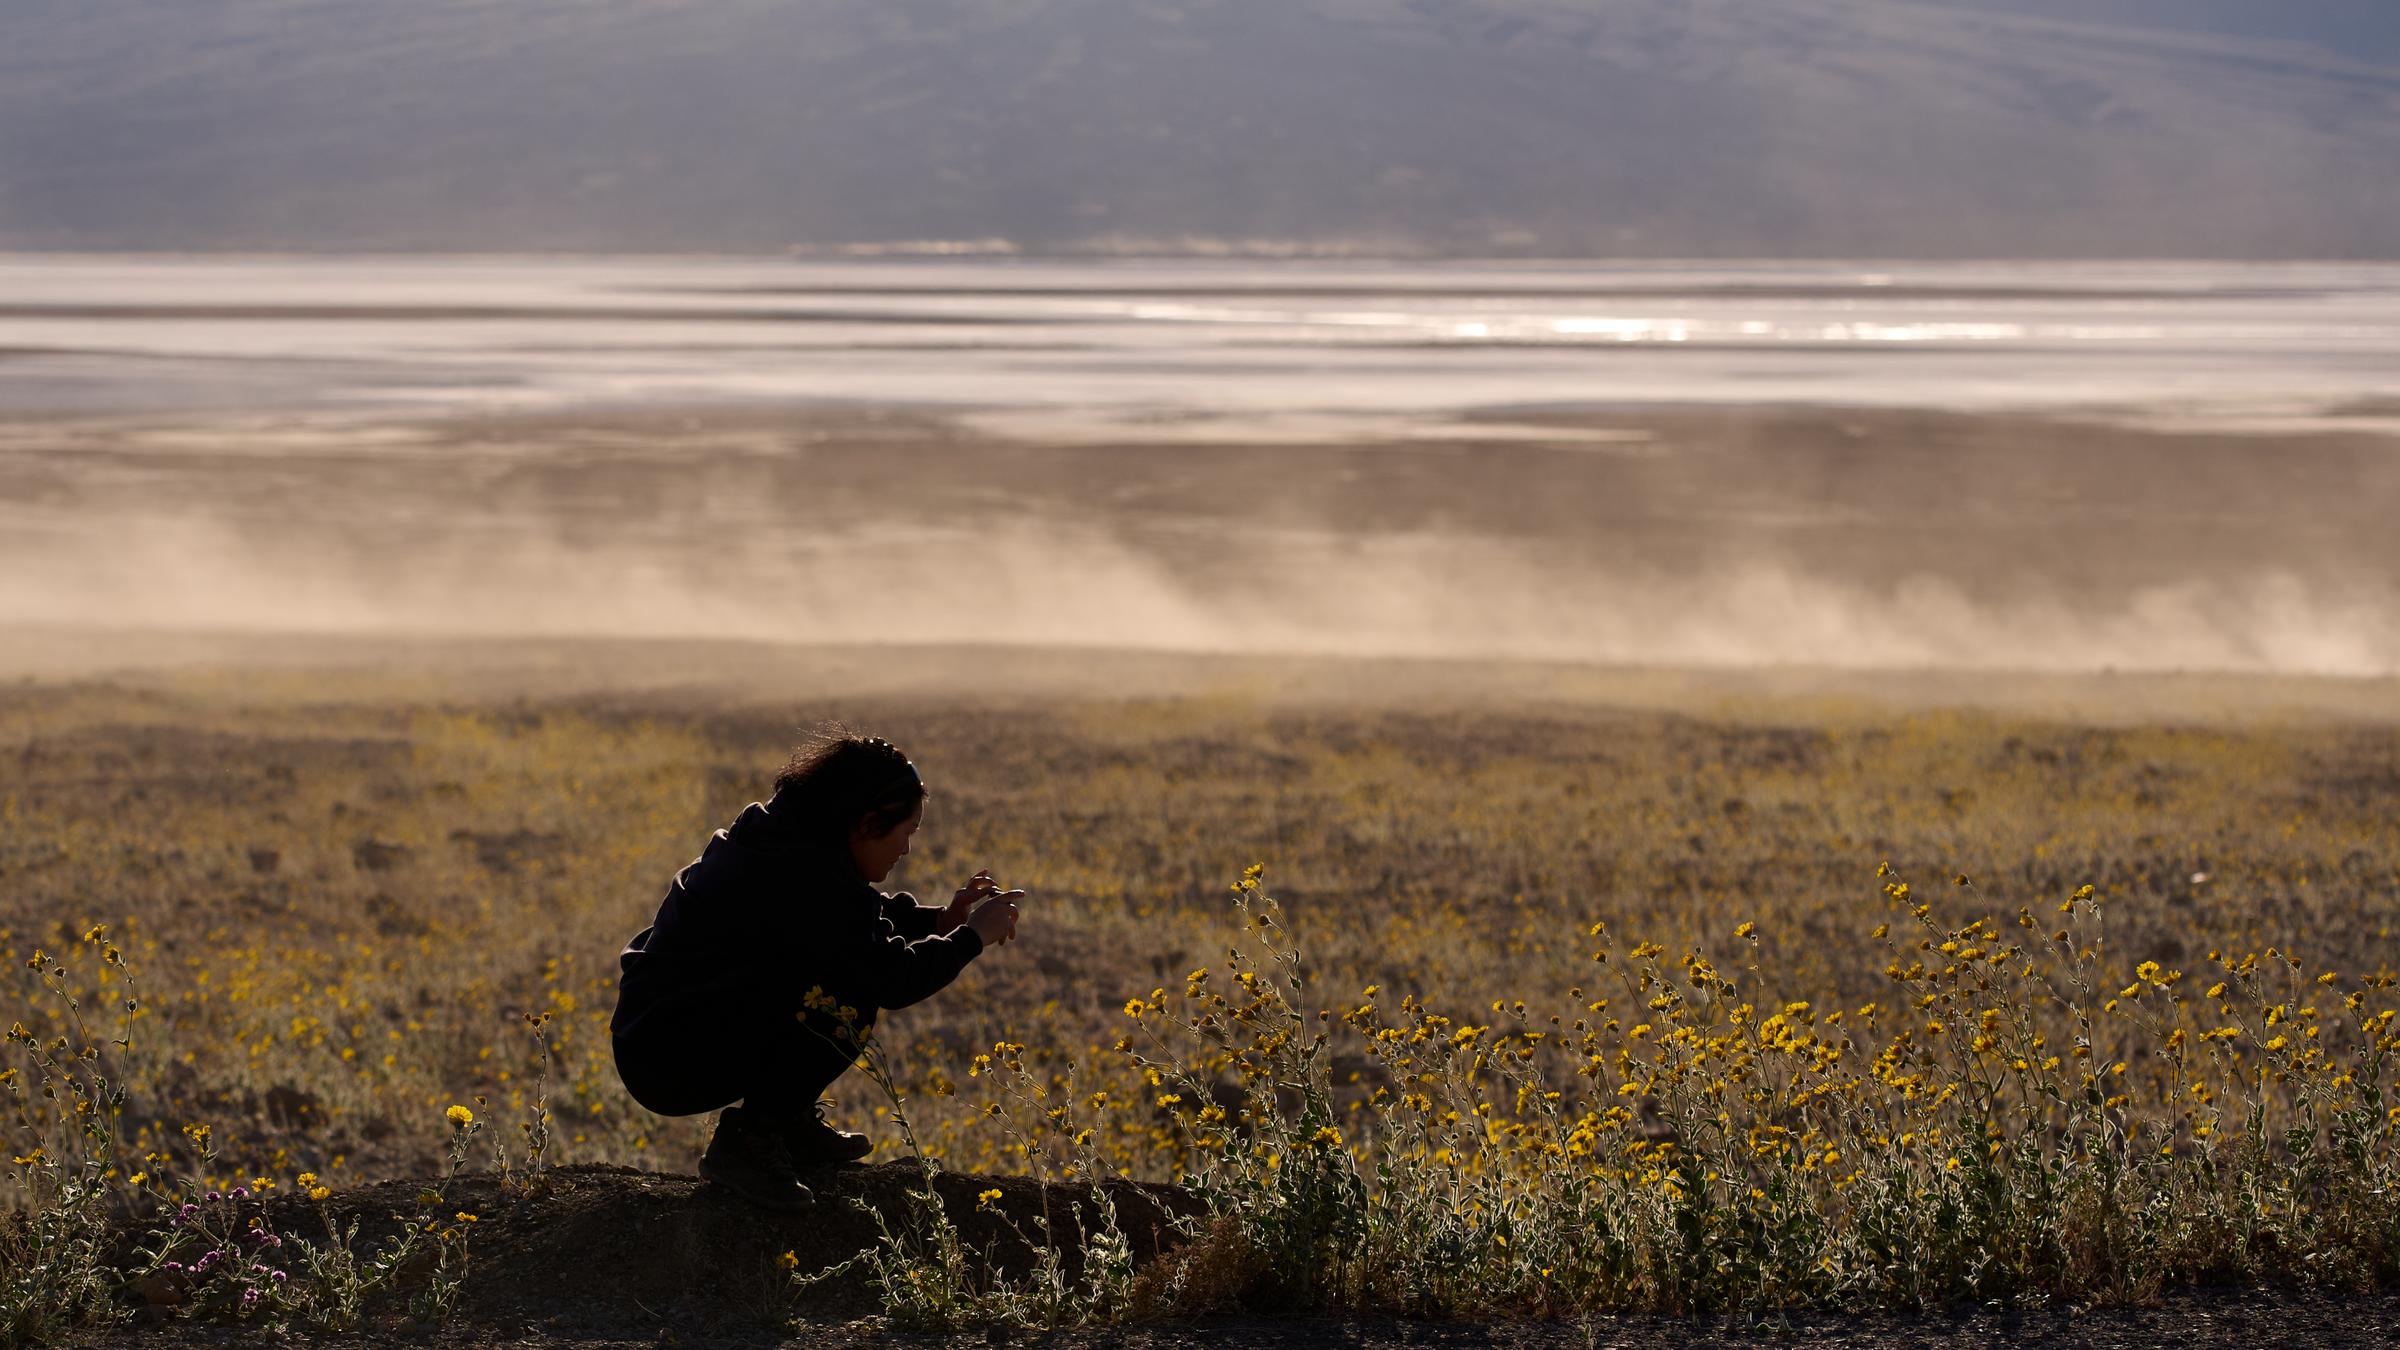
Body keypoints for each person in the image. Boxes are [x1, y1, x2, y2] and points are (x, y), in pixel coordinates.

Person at [608, 730, 1022, 1210]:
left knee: (833, 975)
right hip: (668, 1058)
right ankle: (751, 1141)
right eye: (905, 834)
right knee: (846, 999)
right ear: (866, 824)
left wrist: (940, 920)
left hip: (657, 1034)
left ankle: (787, 1126)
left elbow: (851, 919)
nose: (905, 851)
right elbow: (891, 976)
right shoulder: (805, 873)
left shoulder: (786, 840)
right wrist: (971, 937)